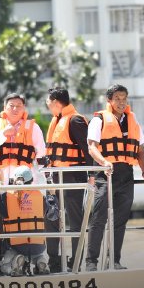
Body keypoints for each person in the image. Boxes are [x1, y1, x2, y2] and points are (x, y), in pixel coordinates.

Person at [86, 84, 144, 271]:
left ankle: (114, 261)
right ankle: (91, 262)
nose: (121, 102)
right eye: (117, 99)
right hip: (105, 174)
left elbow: (139, 150)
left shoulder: (132, 120)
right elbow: (92, 147)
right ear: (109, 100)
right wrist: (104, 162)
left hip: (126, 176)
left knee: (120, 220)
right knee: (99, 219)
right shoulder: (98, 120)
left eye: (124, 99)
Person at [44, 87, 92, 270]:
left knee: (75, 219)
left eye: (48, 103)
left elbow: (88, 150)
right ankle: (54, 260)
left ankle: (76, 261)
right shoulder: (57, 121)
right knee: (51, 216)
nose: (48, 107)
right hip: (56, 177)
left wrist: (92, 175)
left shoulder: (75, 120)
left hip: (73, 176)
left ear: (56, 102)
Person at [0, 166, 50, 276]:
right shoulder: (40, 196)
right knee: (39, 254)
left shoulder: (6, 196)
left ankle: (16, 261)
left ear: (14, 180)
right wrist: (52, 195)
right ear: (31, 181)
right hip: (38, 246)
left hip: (16, 246)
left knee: (4, 266)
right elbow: (52, 213)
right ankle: (41, 261)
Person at [0, 93, 47, 184]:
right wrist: (3, 134)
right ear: (4, 107)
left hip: (26, 179)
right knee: (1, 197)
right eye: (11, 106)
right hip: (0, 178)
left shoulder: (34, 128)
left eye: (19, 106)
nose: (15, 109)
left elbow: (41, 153)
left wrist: (33, 173)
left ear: (24, 108)